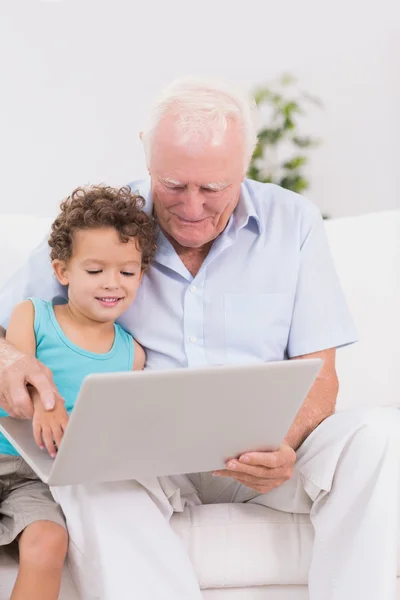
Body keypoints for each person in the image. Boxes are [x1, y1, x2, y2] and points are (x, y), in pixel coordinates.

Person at [0, 77, 399, 600]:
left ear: (244, 167)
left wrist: (287, 441)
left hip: (266, 454)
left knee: (375, 436)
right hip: (144, 462)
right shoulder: (105, 225)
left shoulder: (293, 222)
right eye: (173, 185)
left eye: (213, 188)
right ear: (147, 162)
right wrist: (11, 362)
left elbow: (321, 370)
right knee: (85, 472)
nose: (192, 207)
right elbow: (7, 332)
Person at [0, 184, 156, 599]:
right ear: (62, 271)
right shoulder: (32, 314)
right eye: (95, 271)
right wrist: (44, 404)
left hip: (37, 479)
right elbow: (17, 374)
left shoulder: (131, 355)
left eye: (127, 272)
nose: (112, 284)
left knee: (49, 541)